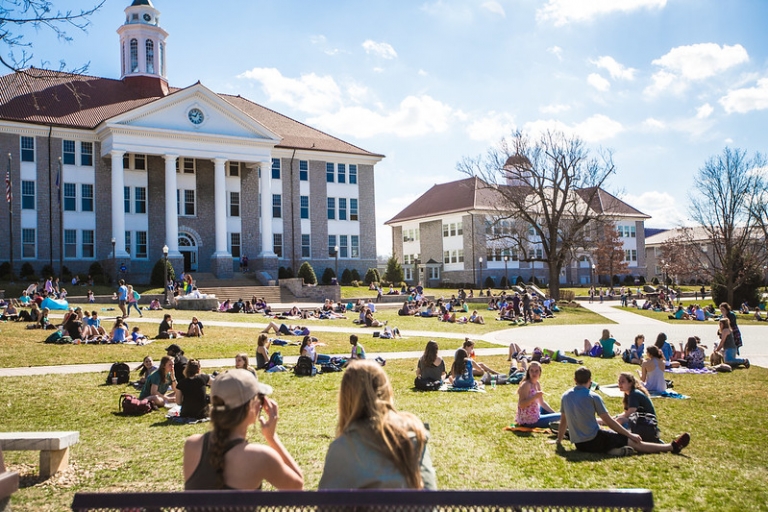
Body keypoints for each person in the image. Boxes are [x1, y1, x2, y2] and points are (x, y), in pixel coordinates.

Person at [318, 360, 436, 489]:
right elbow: (430, 496)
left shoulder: (344, 447)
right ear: (386, 390)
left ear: (346, 398)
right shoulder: (414, 431)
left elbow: (328, 505)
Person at [183, 369, 303, 490]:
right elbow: (297, 487)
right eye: (259, 398)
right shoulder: (261, 457)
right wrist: (272, 438)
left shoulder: (192, 445)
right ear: (252, 407)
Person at [556, 366, 690, 456]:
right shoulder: (593, 397)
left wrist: (558, 441)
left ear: (575, 380)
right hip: (593, 441)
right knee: (636, 443)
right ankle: (672, 447)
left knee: (610, 437)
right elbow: (610, 422)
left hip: (580, 445)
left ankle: (615, 451)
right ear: (590, 381)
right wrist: (630, 436)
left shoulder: (566, 396)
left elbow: (563, 421)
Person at [611, 372, 661, 443]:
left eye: (622, 382)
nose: (619, 384)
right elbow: (626, 413)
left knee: (620, 420)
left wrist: (613, 421)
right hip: (641, 421)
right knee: (617, 419)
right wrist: (609, 419)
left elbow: (629, 415)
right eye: (619, 381)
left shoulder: (634, 394)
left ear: (630, 383)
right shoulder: (629, 394)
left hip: (647, 424)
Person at [515, 361, 560, 428]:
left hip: (536, 413)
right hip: (529, 421)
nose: (534, 373)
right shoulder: (526, 384)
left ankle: (558, 421)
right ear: (528, 372)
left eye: (536, 371)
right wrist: (534, 397)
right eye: (532, 370)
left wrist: (554, 413)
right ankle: (559, 422)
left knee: (545, 407)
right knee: (562, 415)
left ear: (540, 373)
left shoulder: (537, 384)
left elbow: (542, 403)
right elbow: (521, 404)